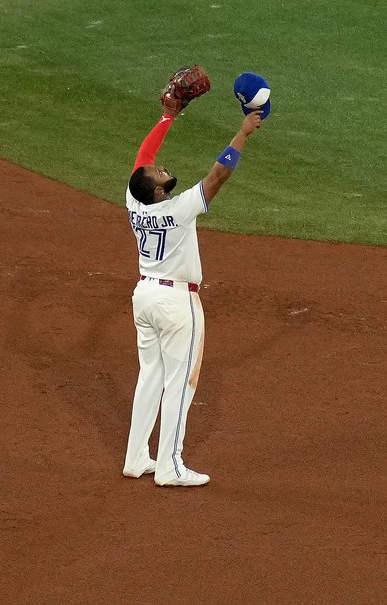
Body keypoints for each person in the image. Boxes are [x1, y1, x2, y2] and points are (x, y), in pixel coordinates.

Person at [121, 86, 264, 487]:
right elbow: (218, 175)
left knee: (150, 375)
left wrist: (168, 117)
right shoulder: (179, 209)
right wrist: (243, 133)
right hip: (176, 304)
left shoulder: (136, 204)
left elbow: (141, 161)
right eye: (158, 173)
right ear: (160, 191)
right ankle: (169, 466)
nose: (158, 166)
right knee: (181, 382)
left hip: (145, 296)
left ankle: (136, 457)